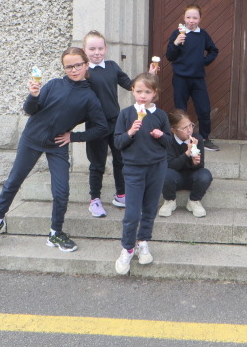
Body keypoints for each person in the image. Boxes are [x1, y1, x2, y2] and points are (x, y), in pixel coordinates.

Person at [0, 47, 108, 253]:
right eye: (69, 67)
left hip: (57, 145)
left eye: (78, 65)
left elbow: (101, 128)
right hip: (31, 140)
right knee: (13, 182)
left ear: (86, 65)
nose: (74, 70)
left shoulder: (90, 97)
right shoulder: (54, 84)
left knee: (62, 191)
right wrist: (33, 96)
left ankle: (55, 232)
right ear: (64, 68)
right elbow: (30, 110)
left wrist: (73, 136)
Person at [82, 30, 158, 218]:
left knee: (120, 160)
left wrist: (149, 75)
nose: (97, 52)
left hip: (116, 123)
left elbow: (130, 84)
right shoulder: (84, 72)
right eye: (92, 49)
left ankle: (121, 194)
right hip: (95, 125)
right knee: (97, 164)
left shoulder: (112, 66)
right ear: (84, 50)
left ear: (106, 48)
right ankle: (94, 199)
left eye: (100, 48)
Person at [113, 73, 171, 275]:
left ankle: (143, 241)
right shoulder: (126, 114)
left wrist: (160, 135)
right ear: (132, 91)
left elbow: (169, 143)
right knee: (132, 213)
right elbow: (118, 142)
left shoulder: (160, 115)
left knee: (150, 208)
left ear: (155, 93)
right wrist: (130, 132)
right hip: (133, 168)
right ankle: (127, 248)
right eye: (139, 91)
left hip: (156, 167)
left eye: (147, 91)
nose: (143, 95)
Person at [165, 4, 220, 151]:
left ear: (200, 18)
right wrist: (176, 43)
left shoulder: (203, 35)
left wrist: (203, 61)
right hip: (180, 78)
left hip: (197, 78)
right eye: (188, 17)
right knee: (180, 111)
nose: (191, 20)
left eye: (195, 18)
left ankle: (204, 139)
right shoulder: (177, 33)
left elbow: (214, 51)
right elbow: (169, 56)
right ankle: (180, 140)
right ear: (184, 18)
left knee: (204, 109)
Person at [158, 109, 213, 218]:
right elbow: (171, 164)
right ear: (174, 130)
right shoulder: (168, 140)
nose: (189, 130)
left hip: (192, 177)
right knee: (163, 173)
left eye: (190, 125)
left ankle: (194, 201)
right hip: (174, 177)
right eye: (184, 128)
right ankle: (169, 200)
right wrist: (187, 153)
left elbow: (200, 165)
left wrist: (195, 163)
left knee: (205, 175)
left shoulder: (197, 138)